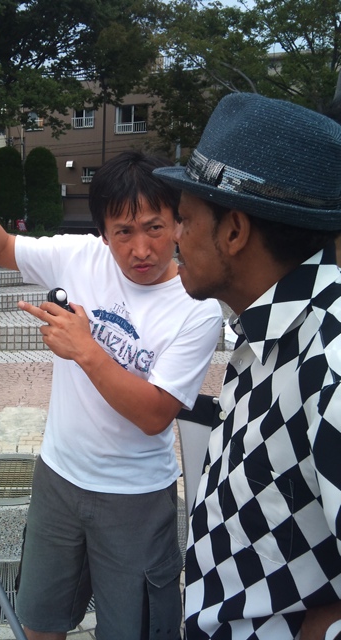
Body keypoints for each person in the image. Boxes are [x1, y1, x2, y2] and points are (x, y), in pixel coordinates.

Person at [0, 151, 222, 640]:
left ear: (177, 223)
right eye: (123, 232)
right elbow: (2, 246)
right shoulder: (79, 256)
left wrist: (86, 350)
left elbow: (154, 414)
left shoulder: (197, 309)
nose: (141, 248)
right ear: (103, 233)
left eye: (155, 227)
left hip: (134, 497)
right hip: (57, 478)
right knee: (41, 622)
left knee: (134, 630)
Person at [153, 93, 341, 640]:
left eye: (185, 219)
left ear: (234, 232)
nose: (174, 237)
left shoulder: (330, 357)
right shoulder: (273, 327)